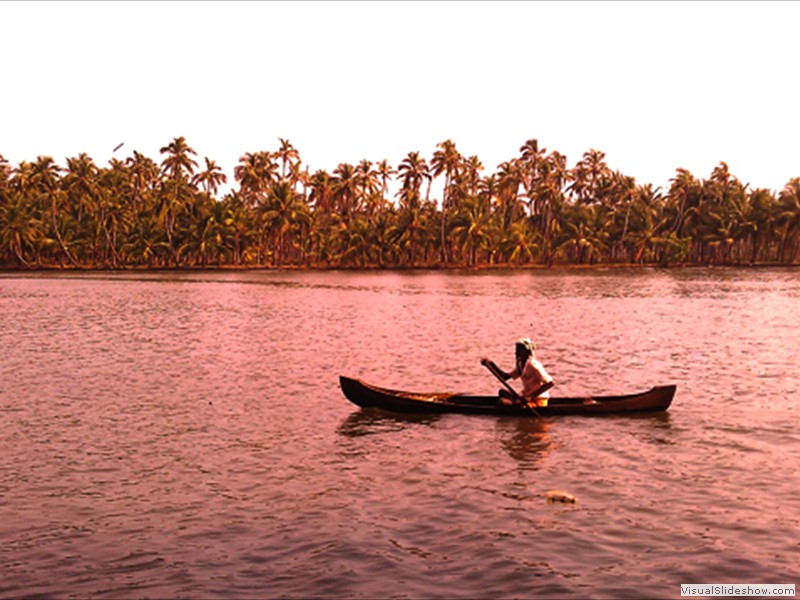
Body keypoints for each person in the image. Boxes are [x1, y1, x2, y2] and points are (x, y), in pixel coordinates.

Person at [482, 338, 554, 408]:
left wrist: (531, 397)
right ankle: (516, 402)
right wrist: (491, 364)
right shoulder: (521, 364)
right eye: (516, 349)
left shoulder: (533, 365)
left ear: (526, 351)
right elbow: (504, 377)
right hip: (525, 397)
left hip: (538, 400)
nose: (516, 352)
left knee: (502, 402)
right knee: (502, 392)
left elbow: (550, 383)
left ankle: (516, 404)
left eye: (519, 350)